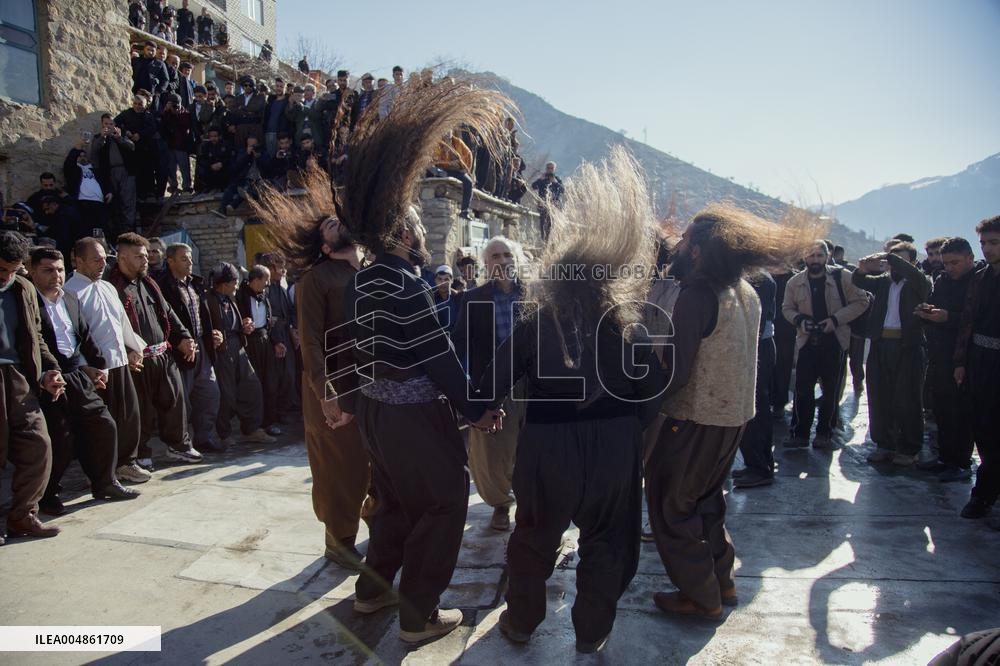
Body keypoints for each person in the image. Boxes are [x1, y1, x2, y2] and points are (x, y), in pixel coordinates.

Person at [475, 149, 666, 653]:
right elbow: (657, 389)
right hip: (612, 447)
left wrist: (487, 410)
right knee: (607, 541)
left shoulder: (534, 321)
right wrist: (630, 433)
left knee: (534, 538)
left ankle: (520, 623)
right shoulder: (627, 325)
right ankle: (592, 631)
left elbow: (494, 380)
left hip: (548, 448)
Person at [336, 79, 504, 643]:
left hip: (377, 416)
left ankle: (371, 591)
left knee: (396, 501)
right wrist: (478, 408)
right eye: (416, 230)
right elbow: (438, 355)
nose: (420, 238)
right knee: (444, 501)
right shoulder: (406, 283)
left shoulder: (361, 283)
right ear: (406, 233)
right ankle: (418, 615)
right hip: (411, 417)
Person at [646, 205, 816, 621]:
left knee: (672, 507)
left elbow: (679, 372)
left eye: (686, 240)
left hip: (693, 420)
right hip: (734, 418)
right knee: (707, 505)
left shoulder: (696, 295)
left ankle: (701, 597)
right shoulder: (747, 291)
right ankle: (723, 581)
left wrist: (643, 408)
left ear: (701, 251)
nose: (679, 246)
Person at [249, 166, 376, 569]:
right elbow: (310, 341)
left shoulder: (372, 273)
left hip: (373, 385)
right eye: (329, 224)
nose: (336, 222)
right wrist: (326, 394)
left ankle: (380, 528)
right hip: (335, 386)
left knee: (377, 463)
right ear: (324, 246)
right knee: (340, 467)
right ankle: (339, 541)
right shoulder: (316, 279)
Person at [29, 248, 138, 515]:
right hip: (47, 380)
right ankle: (48, 493)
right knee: (61, 440)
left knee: (104, 425)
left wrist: (94, 367)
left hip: (76, 374)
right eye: (48, 270)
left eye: (59, 270)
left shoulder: (70, 298)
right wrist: (45, 375)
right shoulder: (28, 301)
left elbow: (83, 337)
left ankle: (105, 483)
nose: (56, 276)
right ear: (32, 272)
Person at [108, 233, 202, 470]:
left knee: (175, 401)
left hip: (163, 355)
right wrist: (126, 350)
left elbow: (168, 313)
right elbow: (109, 326)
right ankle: (140, 453)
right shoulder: (112, 288)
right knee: (141, 411)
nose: (145, 261)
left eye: (146, 255)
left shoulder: (149, 283)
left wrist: (183, 338)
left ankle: (178, 446)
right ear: (122, 257)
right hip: (137, 359)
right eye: (139, 256)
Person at [452, 237, 526, 531]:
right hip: (494, 386)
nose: (503, 260)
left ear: (517, 259)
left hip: (532, 388)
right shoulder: (474, 299)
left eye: (508, 254)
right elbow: (459, 346)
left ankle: (530, 503)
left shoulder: (536, 294)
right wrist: (465, 389)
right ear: (486, 264)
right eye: (495, 255)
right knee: (491, 453)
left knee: (532, 449)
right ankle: (500, 505)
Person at [0, 232, 68, 542]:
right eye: (1, 269)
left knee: (38, 444)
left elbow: (35, 336)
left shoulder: (23, 288)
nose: (7, 276)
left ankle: (23, 515)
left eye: (14, 269)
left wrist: (50, 370)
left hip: (18, 379)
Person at [65, 237, 148, 484]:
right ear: (77, 261)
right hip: (95, 369)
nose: (102, 264)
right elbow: (73, 334)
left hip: (120, 360)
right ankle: (103, 473)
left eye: (104, 258)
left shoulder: (108, 287)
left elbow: (121, 323)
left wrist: (134, 348)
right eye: (95, 259)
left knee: (129, 416)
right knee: (101, 426)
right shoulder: (71, 291)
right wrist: (85, 367)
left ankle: (126, 464)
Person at [781, 242, 870, 448]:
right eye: (811, 256)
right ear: (804, 257)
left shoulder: (843, 277)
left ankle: (825, 434)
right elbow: (786, 308)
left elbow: (861, 301)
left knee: (831, 391)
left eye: (819, 255)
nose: (815, 260)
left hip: (834, 341)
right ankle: (799, 434)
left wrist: (836, 320)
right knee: (802, 390)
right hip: (807, 341)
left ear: (828, 255)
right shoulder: (794, 283)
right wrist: (799, 320)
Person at [852, 241, 930, 466]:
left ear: (913, 263)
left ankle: (908, 447)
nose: (895, 267)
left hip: (908, 347)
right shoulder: (884, 282)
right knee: (879, 396)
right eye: (892, 262)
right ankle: (884, 444)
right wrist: (863, 267)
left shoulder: (920, 282)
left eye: (902, 261)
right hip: (880, 344)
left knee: (908, 399)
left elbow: (916, 277)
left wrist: (891, 256)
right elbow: (859, 280)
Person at [914, 237, 976, 481]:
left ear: (969, 259)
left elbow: (976, 320)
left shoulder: (978, 283)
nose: (950, 268)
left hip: (964, 358)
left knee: (961, 412)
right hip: (939, 354)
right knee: (941, 408)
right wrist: (926, 312)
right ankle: (945, 457)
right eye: (946, 263)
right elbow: (936, 307)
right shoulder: (942, 280)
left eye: (955, 263)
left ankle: (961, 462)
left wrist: (948, 318)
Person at [954, 216, 1000, 519]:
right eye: (984, 243)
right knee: (983, 429)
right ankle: (985, 493)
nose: (987, 249)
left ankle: (984, 493)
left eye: (993, 243)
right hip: (980, 361)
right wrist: (961, 362)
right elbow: (967, 323)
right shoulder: (981, 278)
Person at [159, 243, 223, 452]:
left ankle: (204, 438)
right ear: (170, 261)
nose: (190, 263)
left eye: (190, 259)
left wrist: (214, 333)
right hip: (178, 351)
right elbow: (163, 321)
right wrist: (178, 342)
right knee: (181, 400)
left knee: (209, 393)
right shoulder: (162, 286)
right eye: (184, 259)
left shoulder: (196, 284)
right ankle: (180, 443)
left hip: (201, 346)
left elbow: (205, 314)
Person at [203, 262, 272, 447]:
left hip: (238, 346)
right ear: (223, 283)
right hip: (222, 350)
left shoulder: (230, 298)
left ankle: (252, 428)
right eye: (234, 282)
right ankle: (224, 434)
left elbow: (237, 322)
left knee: (252, 385)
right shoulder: (208, 300)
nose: (236, 286)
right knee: (227, 393)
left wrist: (245, 326)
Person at [732, 272, 778, 488]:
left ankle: (760, 467)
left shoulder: (759, 279)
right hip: (751, 347)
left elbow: (754, 323)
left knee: (756, 408)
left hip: (757, 348)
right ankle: (756, 464)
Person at [236, 265, 283, 436]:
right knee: (254, 385)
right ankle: (254, 425)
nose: (268, 283)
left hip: (265, 341)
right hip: (250, 343)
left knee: (270, 382)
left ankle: (270, 421)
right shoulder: (240, 296)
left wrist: (276, 341)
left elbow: (269, 321)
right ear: (255, 280)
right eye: (266, 279)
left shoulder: (264, 296)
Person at [90, 114, 137, 237]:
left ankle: (128, 230)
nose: (109, 126)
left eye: (111, 124)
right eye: (106, 124)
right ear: (102, 125)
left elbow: (131, 147)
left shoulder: (121, 135)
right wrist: (102, 137)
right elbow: (94, 152)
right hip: (110, 173)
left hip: (126, 172)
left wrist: (119, 138)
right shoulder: (98, 138)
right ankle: (115, 232)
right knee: (113, 202)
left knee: (128, 201)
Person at [62, 140, 112, 239]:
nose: (83, 158)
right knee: (85, 232)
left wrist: (110, 192)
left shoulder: (95, 171)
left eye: (84, 156)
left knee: (101, 232)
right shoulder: (75, 170)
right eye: (80, 156)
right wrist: (77, 148)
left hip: (99, 203)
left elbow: (106, 181)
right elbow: (69, 164)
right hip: (83, 203)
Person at [432, 130, 475, 219]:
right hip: (444, 169)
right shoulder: (438, 143)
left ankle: (464, 211)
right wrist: (449, 162)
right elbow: (436, 160)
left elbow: (468, 154)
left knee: (469, 182)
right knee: (438, 173)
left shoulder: (457, 142)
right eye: (446, 131)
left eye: (449, 131)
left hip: (457, 170)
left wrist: (463, 166)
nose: (447, 133)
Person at [161, 94, 195, 195]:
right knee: (171, 168)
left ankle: (187, 188)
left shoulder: (185, 113)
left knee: (184, 168)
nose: (175, 108)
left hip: (181, 146)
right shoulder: (166, 114)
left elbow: (184, 127)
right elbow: (163, 126)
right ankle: (173, 187)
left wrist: (176, 113)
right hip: (170, 145)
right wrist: (167, 112)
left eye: (177, 105)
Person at [131, 41, 169, 108]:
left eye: (152, 50)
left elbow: (165, 79)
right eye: (148, 49)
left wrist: (158, 92)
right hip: (136, 92)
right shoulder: (136, 60)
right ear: (144, 49)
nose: (150, 52)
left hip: (151, 94)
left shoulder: (160, 64)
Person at [531, 162, 564, 241]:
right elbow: (533, 186)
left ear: (554, 169)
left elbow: (562, 190)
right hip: (543, 205)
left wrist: (555, 182)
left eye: (551, 168)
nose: (549, 170)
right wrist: (540, 179)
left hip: (554, 206)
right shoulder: (542, 178)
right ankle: (544, 241)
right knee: (543, 224)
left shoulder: (557, 179)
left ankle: (551, 241)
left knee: (552, 225)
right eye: (548, 168)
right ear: (546, 169)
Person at [195, 127, 232, 193]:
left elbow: (229, 157)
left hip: (223, 167)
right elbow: (202, 159)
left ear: (219, 136)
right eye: (211, 136)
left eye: (215, 136)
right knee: (202, 170)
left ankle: (225, 187)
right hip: (211, 168)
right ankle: (208, 188)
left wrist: (222, 163)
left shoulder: (226, 144)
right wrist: (210, 165)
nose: (213, 138)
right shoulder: (205, 146)